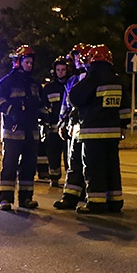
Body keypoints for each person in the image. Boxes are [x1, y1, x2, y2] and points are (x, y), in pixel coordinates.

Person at [67, 44, 130, 214]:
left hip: (93, 132)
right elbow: (124, 107)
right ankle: (115, 201)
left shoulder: (93, 77)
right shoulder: (117, 79)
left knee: (94, 168)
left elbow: (74, 97)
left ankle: (95, 202)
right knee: (112, 167)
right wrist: (124, 126)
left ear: (91, 60)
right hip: (113, 133)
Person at [0, 45, 50, 211]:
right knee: (9, 165)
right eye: (27, 62)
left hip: (32, 133)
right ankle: (5, 199)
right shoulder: (7, 82)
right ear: (18, 62)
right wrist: (12, 111)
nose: (30, 65)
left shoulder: (35, 84)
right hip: (13, 133)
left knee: (29, 166)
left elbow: (42, 105)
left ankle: (26, 198)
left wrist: (46, 117)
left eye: (31, 63)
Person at [54, 43, 89, 210]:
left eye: (78, 57)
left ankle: (87, 194)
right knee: (72, 163)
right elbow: (65, 105)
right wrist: (62, 123)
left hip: (89, 128)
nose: (76, 61)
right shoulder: (72, 81)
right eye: (74, 58)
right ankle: (70, 197)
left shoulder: (92, 77)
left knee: (88, 163)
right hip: (74, 128)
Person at [39, 56, 70, 187]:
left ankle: (70, 179)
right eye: (58, 70)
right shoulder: (49, 88)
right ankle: (54, 177)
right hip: (52, 129)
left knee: (70, 156)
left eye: (63, 69)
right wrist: (44, 122)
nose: (60, 72)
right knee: (53, 155)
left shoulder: (72, 85)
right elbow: (43, 106)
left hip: (69, 129)